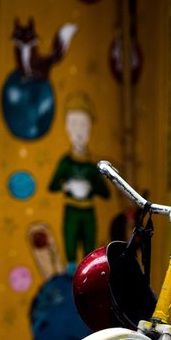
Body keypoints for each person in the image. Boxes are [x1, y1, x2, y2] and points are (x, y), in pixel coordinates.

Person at [48, 92, 109, 273]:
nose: (79, 130)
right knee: (70, 244)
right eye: (73, 124)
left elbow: (105, 193)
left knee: (89, 250)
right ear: (66, 126)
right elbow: (52, 185)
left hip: (88, 211)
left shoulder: (93, 165)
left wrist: (92, 186)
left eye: (83, 124)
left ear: (90, 127)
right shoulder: (66, 162)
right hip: (71, 210)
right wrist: (67, 186)